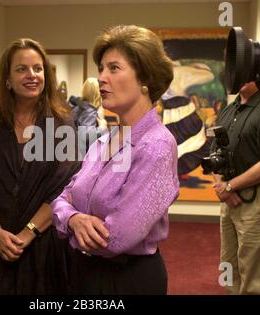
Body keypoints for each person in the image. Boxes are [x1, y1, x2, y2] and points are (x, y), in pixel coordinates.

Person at [52, 25, 179, 295]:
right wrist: (74, 219)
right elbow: (62, 198)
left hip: (127, 280)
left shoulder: (157, 145)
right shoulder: (104, 141)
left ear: (145, 77)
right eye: (101, 69)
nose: (101, 78)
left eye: (113, 68)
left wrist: (66, 225)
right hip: (86, 273)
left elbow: (115, 238)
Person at [0, 38, 81, 294]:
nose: (32, 75)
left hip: (44, 245)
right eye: (21, 69)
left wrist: (27, 235)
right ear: (7, 78)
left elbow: (65, 189)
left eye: (37, 69)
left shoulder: (61, 125)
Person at [212, 81, 260, 294]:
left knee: (255, 277)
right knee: (228, 267)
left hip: (258, 202)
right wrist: (222, 188)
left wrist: (231, 186)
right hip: (228, 199)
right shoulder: (228, 110)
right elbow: (215, 152)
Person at [68, 77, 108, 155]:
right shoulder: (90, 111)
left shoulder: (78, 106)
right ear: (97, 92)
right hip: (84, 155)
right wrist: (102, 128)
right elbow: (85, 136)